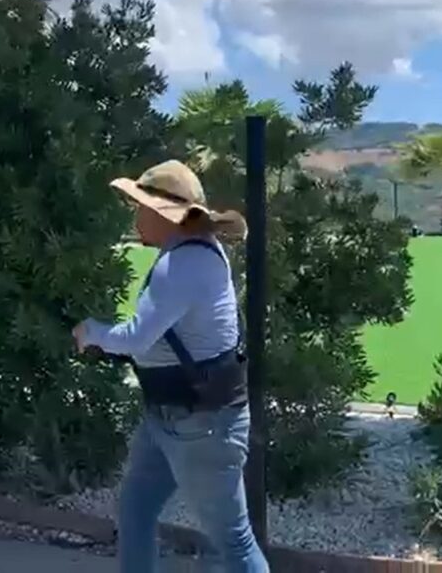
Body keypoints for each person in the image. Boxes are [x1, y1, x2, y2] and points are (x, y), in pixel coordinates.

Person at [71, 160, 268, 573]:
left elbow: (136, 338)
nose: (135, 215)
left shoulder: (179, 266)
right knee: (136, 510)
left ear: (164, 214)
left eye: (140, 206)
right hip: (173, 416)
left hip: (201, 424)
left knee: (233, 540)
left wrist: (92, 332)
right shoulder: (190, 255)